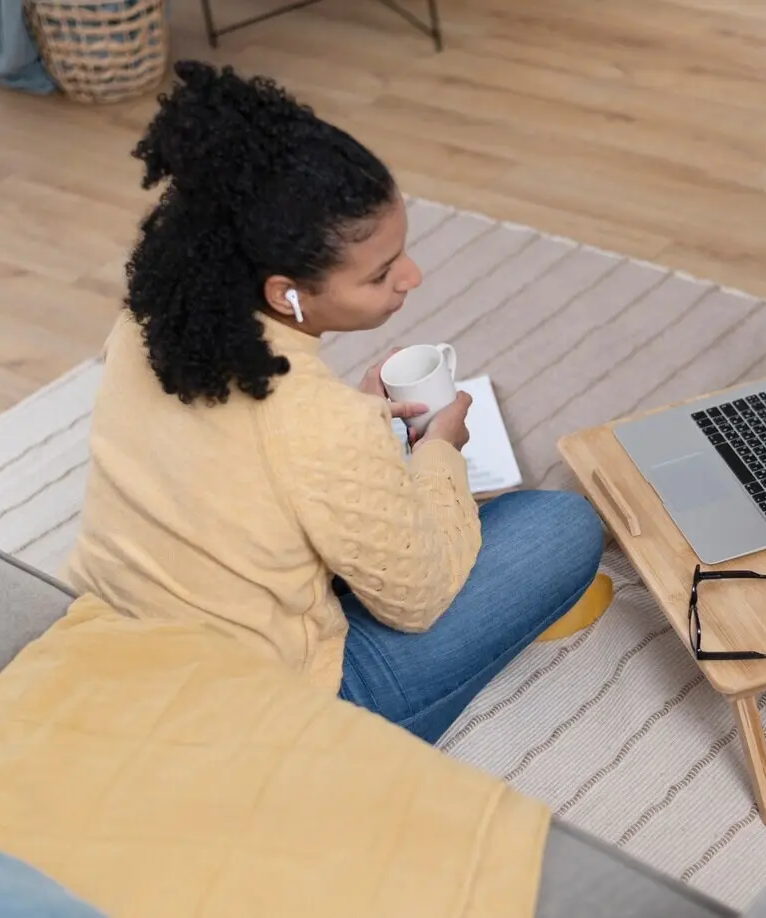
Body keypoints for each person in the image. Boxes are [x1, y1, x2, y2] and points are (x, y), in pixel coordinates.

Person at [61, 61, 605, 745]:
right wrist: (441, 453)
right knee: (560, 525)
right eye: (381, 273)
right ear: (286, 294)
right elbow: (420, 598)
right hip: (273, 714)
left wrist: (354, 429)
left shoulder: (146, 327)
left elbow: (258, 458)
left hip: (126, 635)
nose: (413, 276)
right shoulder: (320, 425)